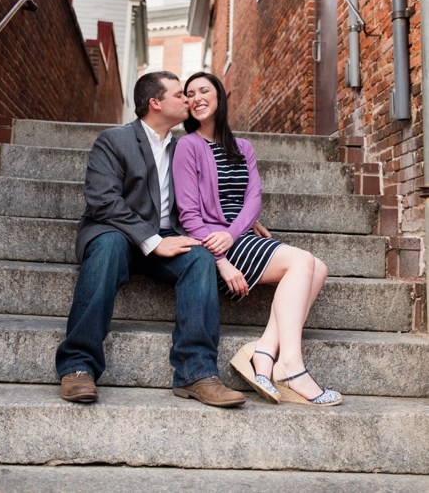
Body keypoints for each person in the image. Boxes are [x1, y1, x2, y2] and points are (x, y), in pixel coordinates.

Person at [55, 71, 246, 407]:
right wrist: (151, 240)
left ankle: (196, 373)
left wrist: (243, 219)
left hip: (167, 238)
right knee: (109, 246)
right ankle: (78, 365)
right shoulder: (115, 140)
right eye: (179, 95)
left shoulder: (186, 147)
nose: (188, 100)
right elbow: (103, 200)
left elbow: (208, 193)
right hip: (116, 234)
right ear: (155, 103)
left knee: (200, 257)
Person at [172, 72, 341, 406]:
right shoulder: (187, 146)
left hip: (236, 236)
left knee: (318, 268)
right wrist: (219, 259)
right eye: (189, 94)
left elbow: (253, 199)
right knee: (303, 262)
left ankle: (263, 352)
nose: (196, 98)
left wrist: (233, 233)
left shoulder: (243, 147)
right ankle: (290, 364)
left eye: (204, 90)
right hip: (212, 243)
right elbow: (188, 214)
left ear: (220, 96)